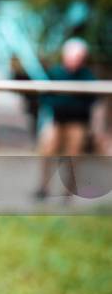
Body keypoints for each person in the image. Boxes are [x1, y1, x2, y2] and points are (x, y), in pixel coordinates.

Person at [35, 38, 97, 200]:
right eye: (71, 56)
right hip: (56, 121)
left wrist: (72, 106)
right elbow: (45, 96)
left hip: (77, 124)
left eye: (78, 57)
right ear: (65, 56)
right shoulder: (55, 73)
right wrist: (58, 105)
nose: (74, 60)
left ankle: (68, 193)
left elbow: (91, 100)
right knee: (46, 152)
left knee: (73, 158)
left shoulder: (87, 77)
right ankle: (43, 188)